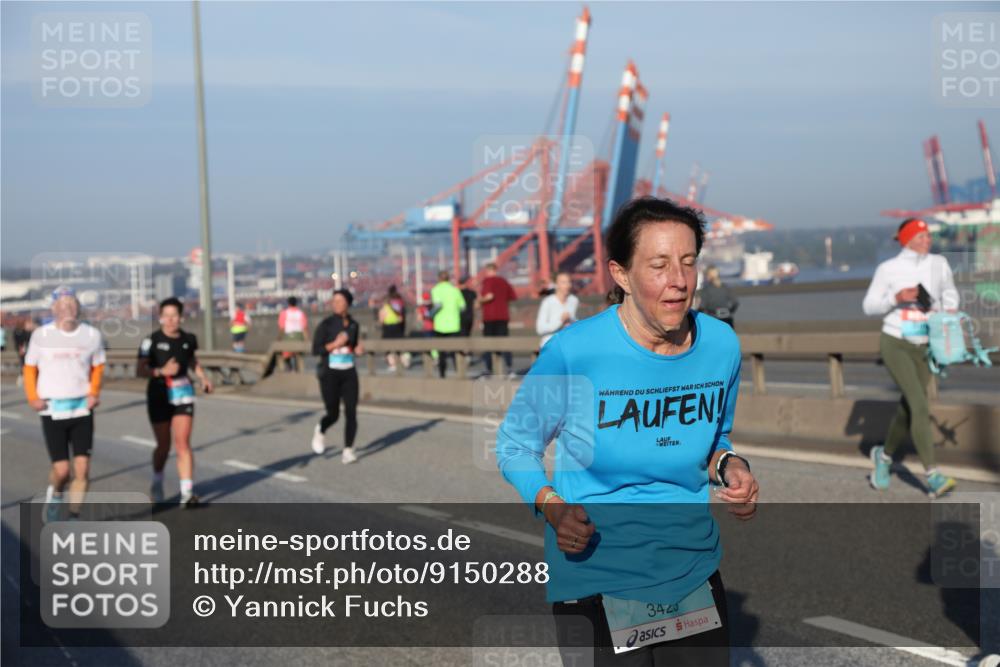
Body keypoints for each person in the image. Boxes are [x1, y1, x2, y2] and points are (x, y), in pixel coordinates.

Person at [496, 197, 758, 666]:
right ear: (621, 276)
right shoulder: (576, 351)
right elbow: (516, 444)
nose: (678, 281)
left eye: (688, 263)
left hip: (692, 573)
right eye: (659, 266)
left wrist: (730, 466)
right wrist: (552, 506)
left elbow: (717, 439)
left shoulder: (721, 345)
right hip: (598, 576)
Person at [863, 217, 959, 498]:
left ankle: (883, 458)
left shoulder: (939, 264)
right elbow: (869, 305)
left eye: (928, 236)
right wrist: (896, 298)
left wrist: (949, 308)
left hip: (927, 343)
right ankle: (932, 476)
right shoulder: (888, 269)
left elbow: (950, 291)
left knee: (908, 408)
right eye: (920, 237)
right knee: (919, 403)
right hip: (896, 341)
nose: (927, 240)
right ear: (905, 240)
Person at [23, 286, 106, 522]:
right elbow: (29, 368)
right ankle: (56, 493)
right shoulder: (41, 335)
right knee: (62, 471)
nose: (68, 307)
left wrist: (94, 392)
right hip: (52, 409)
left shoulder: (91, 335)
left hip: (81, 407)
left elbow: (98, 366)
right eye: (63, 304)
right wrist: (32, 397)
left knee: (82, 469)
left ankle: (73, 517)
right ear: (54, 308)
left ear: (78, 307)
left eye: (72, 303)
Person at [137, 297, 214, 507]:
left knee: (183, 442)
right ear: (160, 318)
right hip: (159, 393)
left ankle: (187, 493)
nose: (171, 320)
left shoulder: (188, 338)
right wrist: (161, 371)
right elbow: (140, 370)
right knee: (164, 445)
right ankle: (157, 480)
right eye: (166, 316)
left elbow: (191, 359)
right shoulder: (150, 341)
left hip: (183, 392)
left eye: (175, 316)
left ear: (181, 317)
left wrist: (203, 377)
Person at [311, 288, 362, 463]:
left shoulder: (354, 325)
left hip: (349, 372)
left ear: (347, 303)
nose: (336, 304)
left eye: (340, 301)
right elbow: (316, 349)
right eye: (334, 301)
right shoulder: (326, 325)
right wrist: (334, 344)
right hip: (330, 373)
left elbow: (353, 345)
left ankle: (348, 450)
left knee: (351, 412)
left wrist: (357, 349)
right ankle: (321, 429)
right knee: (333, 414)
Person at [479, 262, 518, 375]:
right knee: (504, 342)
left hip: (490, 317)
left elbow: (489, 296)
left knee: (489, 343)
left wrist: (478, 301)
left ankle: (490, 368)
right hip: (503, 316)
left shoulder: (487, 281)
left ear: (488, 271)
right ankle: (509, 367)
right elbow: (512, 296)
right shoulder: (504, 281)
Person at [430, 271, 466, 378]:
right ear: (449, 278)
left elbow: (438, 305)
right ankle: (459, 374)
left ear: (439, 279)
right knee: (456, 352)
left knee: (441, 353)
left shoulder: (436, 289)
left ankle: (442, 375)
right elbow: (463, 307)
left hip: (440, 326)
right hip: (454, 325)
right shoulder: (455, 290)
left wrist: (429, 314)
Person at [536, 272, 580, 347]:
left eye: (569, 282)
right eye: (563, 282)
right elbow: (540, 329)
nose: (567, 285)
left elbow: (578, 323)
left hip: (569, 344)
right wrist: (560, 321)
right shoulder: (548, 302)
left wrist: (571, 320)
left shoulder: (574, 300)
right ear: (556, 284)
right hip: (550, 345)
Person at [378, 285, 409, 371]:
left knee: (388, 347)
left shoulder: (385, 307)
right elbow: (401, 318)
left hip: (388, 328)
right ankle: (404, 360)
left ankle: (393, 364)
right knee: (399, 345)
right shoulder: (398, 301)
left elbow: (381, 320)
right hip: (397, 326)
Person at [278, 296, 309, 372]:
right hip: (299, 336)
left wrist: (279, 338)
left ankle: (289, 368)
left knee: (286, 354)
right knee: (298, 354)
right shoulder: (301, 313)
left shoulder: (284, 313)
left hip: (288, 336)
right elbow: (304, 327)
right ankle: (298, 370)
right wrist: (307, 339)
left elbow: (282, 327)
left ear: (288, 303)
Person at [14, 317, 36, 387]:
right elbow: (18, 341)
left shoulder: (26, 331)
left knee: (27, 364)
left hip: (27, 349)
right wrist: (20, 348)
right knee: (24, 364)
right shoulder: (17, 331)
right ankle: (21, 379)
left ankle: (26, 379)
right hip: (22, 349)